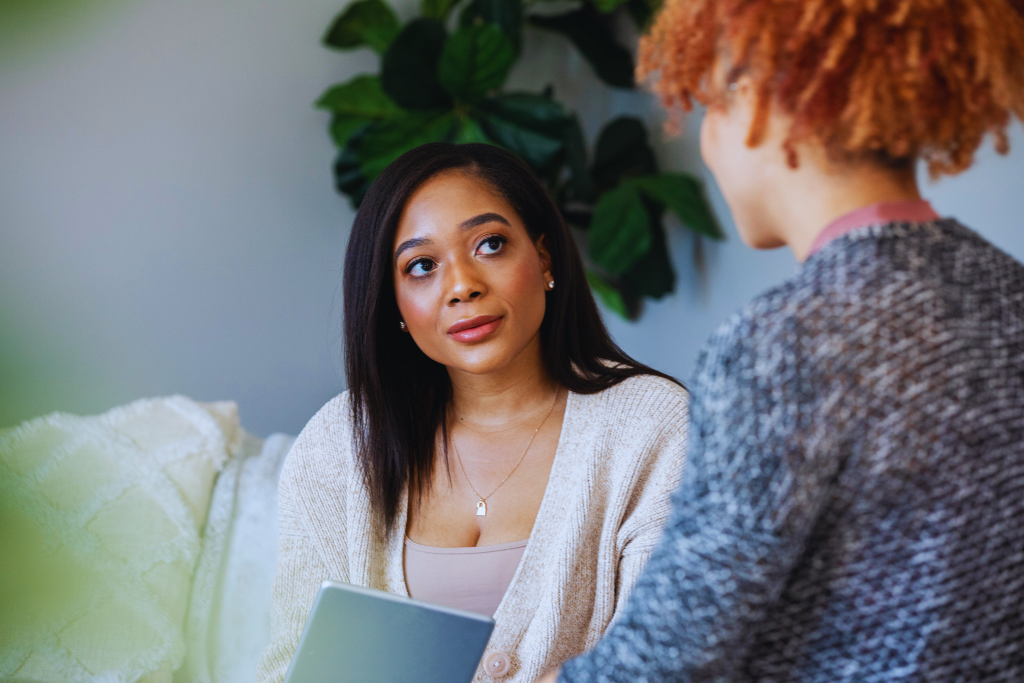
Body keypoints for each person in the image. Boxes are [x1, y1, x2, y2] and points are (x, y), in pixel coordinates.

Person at [539, 0, 1024, 681]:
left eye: (707, 103)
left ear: (758, 92)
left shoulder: (783, 342)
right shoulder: (1010, 292)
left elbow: (673, 653)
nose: (706, 144)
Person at [255, 143, 689, 683]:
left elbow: (672, 658)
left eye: (490, 244)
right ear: (392, 304)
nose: (462, 286)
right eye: (421, 266)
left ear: (544, 257)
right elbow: (290, 669)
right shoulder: (339, 442)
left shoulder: (651, 426)